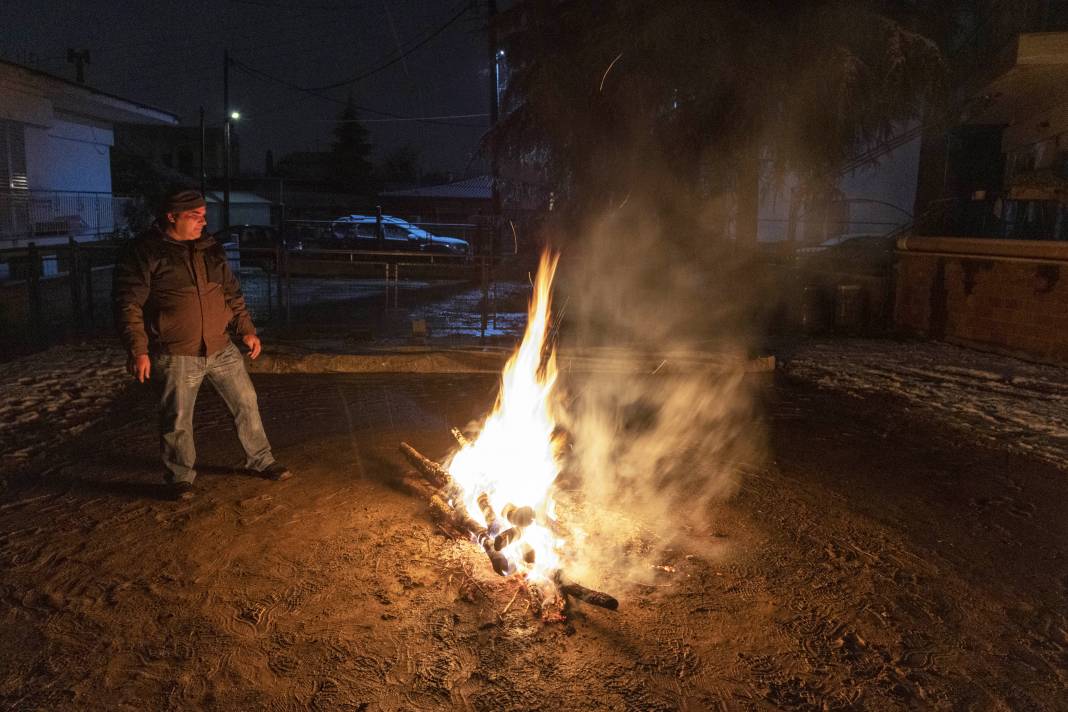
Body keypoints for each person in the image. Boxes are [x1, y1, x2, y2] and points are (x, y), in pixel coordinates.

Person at [112, 189, 292, 500]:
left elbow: (231, 294)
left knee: (246, 401)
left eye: (204, 217)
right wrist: (138, 350)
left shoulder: (210, 249)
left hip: (221, 347)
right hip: (176, 351)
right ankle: (180, 477)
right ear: (172, 216)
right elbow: (129, 304)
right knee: (177, 418)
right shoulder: (146, 252)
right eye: (195, 217)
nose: (202, 222)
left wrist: (246, 329)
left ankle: (262, 460)